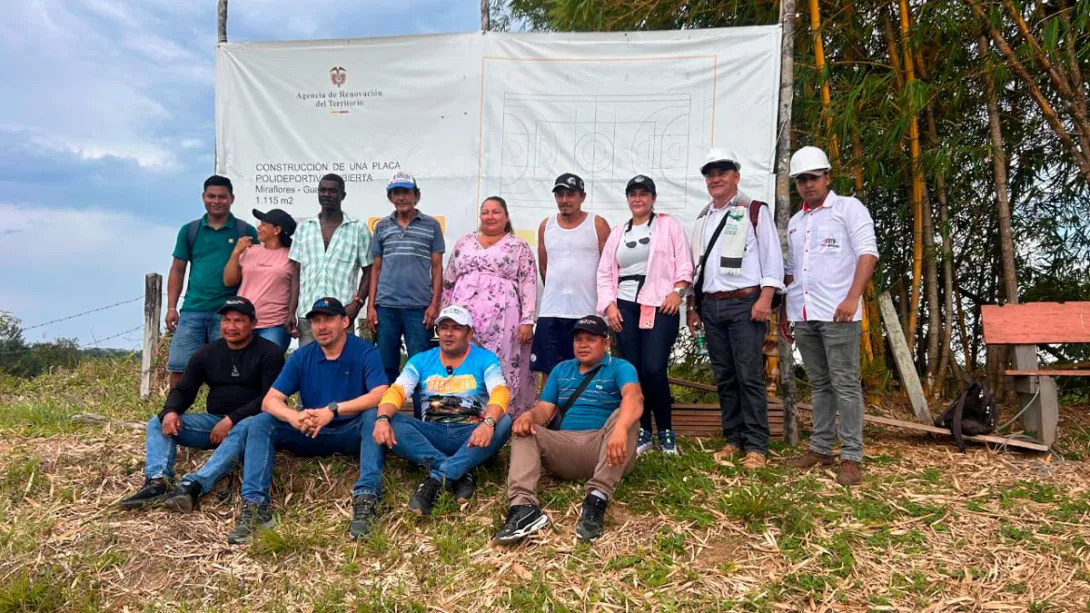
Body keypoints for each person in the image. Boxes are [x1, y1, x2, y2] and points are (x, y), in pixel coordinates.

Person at [226, 297, 389, 544]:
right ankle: (255, 506)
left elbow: (380, 393)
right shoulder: (302, 356)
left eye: (328, 320)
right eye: (316, 321)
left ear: (345, 321)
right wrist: (294, 416)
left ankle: (366, 500)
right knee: (261, 422)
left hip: (348, 430)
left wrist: (332, 410)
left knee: (372, 417)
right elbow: (270, 400)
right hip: (309, 430)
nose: (321, 327)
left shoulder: (366, 351)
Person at [120, 297, 284, 512]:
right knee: (156, 421)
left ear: (253, 323)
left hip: (252, 426)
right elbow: (184, 390)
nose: (231, 327)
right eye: (226, 321)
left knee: (249, 425)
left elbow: (269, 399)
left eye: (239, 321)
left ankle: (194, 485)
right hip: (214, 424)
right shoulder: (206, 353)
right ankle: (157, 482)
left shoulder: (270, 353)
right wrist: (170, 411)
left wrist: (232, 420)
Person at [493, 316, 643, 545]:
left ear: (605, 343)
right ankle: (523, 508)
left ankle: (596, 500)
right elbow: (544, 409)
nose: (582, 344)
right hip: (565, 446)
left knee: (626, 414)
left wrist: (620, 429)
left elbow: (634, 397)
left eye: (590, 340)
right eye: (578, 339)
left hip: (606, 447)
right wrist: (529, 416)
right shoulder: (561, 369)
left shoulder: (620, 367)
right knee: (525, 428)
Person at [784, 146, 879, 486]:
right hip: (805, 313)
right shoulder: (796, 222)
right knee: (820, 384)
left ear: (827, 177)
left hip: (839, 312)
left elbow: (868, 253)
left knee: (846, 385)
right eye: (800, 180)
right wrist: (786, 310)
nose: (807, 185)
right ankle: (821, 448)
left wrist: (853, 297)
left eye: (812, 177)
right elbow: (793, 271)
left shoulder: (847, 208)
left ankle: (852, 456)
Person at [686, 150, 784, 471]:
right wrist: (693, 306)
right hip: (711, 306)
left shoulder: (753, 210)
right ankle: (733, 439)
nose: (716, 178)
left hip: (745, 304)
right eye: (710, 174)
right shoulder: (702, 219)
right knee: (725, 377)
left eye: (722, 172)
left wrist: (765, 298)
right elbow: (697, 270)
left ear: (736, 176)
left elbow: (772, 259)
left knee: (749, 376)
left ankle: (757, 445)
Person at [367, 305, 513, 519]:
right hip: (432, 432)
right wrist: (381, 419)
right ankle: (459, 471)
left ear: (469, 333)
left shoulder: (485, 359)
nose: (448, 333)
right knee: (386, 419)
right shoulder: (421, 360)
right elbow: (397, 391)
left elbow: (500, 391)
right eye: (443, 327)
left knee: (504, 421)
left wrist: (488, 423)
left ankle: (436, 479)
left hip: (471, 434)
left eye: (456, 328)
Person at [597, 175, 692, 455]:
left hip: (659, 303)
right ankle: (643, 432)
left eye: (643, 194)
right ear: (627, 199)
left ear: (653, 198)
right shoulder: (618, 231)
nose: (638, 199)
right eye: (633, 194)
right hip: (624, 305)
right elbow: (604, 273)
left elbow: (684, 264)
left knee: (654, 368)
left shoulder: (668, 225)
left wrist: (678, 292)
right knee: (634, 371)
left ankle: (665, 431)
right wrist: (609, 306)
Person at [441, 196, 537, 417]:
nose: (490, 216)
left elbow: (529, 283)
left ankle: (500, 416)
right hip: (464, 318)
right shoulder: (464, 242)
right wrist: (444, 316)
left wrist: (527, 320)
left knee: (501, 363)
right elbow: (448, 281)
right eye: (485, 212)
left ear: (506, 216)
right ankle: (465, 413)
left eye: (496, 212)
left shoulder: (518, 246)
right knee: (465, 360)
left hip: (505, 319)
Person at [166, 175, 258, 387]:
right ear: (203, 197)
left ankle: (223, 415)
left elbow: (255, 272)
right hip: (192, 310)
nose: (216, 201)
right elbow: (178, 270)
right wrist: (172, 307)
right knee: (180, 368)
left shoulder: (245, 231)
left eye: (222, 197)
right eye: (212, 196)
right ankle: (173, 415)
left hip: (229, 314)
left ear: (232, 199)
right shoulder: (190, 231)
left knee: (228, 370)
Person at [367, 171, 446, 417]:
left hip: (418, 308)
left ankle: (424, 416)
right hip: (386, 306)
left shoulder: (431, 226)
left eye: (406, 192)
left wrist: (434, 305)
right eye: (396, 193)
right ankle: (383, 416)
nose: (402, 198)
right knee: (386, 364)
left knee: (420, 364)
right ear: (391, 197)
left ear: (416, 195)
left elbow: (437, 267)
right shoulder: (381, 227)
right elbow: (376, 268)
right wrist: (371, 306)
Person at [531, 173, 612, 379]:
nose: (564, 200)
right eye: (560, 195)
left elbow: (610, 267)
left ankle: (582, 411)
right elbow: (544, 267)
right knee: (549, 373)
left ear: (582, 196)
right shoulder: (545, 226)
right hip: (551, 311)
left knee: (586, 370)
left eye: (570, 194)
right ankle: (549, 412)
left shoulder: (598, 224)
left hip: (586, 310)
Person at [288, 174, 373, 347]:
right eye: (323, 190)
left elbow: (369, 271)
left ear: (343, 195)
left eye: (332, 191)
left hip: (340, 314)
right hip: (308, 314)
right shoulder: (304, 228)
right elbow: (296, 273)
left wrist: (357, 303)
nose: (327, 194)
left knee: (340, 367)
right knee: (310, 367)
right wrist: (291, 312)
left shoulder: (358, 229)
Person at [223, 208, 296, 352]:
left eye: (263, 224)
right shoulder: (250, 251)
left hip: (274, 325)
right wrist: (236, 252)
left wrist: (292, 315)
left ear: (276, 230)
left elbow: (296, 288)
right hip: (243, 322)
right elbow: (229, 280)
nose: (258, 227)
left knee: (268, 368)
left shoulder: (293, 256)